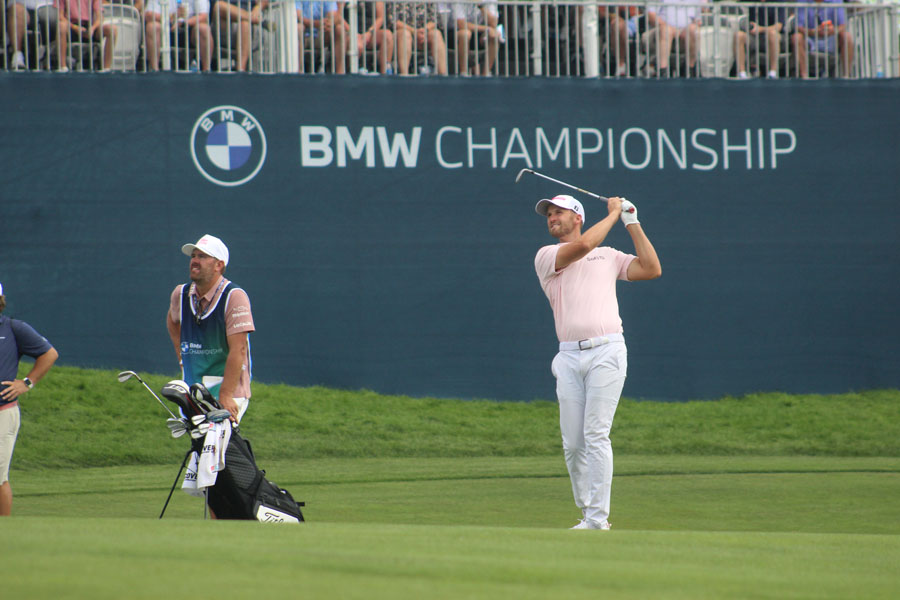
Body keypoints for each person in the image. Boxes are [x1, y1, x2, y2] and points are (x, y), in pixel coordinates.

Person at [534, 194, 661, 530]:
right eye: (548, 214)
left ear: (577, 216)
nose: (551, 218)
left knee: (595, 434)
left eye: (558, 212)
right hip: (568, 356)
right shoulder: (547, 256)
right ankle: (587, 510)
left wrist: (631, 221)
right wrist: (614, 213)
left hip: (607, 350)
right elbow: (584, 245)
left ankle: (596, 520)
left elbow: (651, 268)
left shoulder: (608, 255)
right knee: (574, 445)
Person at [166, 234, 254, 424]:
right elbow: (172, 320)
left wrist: (226, 395)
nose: (195, 261)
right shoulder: (181, 293)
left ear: (218, 265)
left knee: (216, 444)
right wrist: (182, 356)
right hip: (194, 386)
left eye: (203, 257)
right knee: (201, 446)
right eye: (193, 256)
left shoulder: (234, 296)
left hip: (229, 389)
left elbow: (239, 349)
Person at [0, 282, 59, 516]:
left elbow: (49, 354)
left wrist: (26, 383)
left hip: (3, 412)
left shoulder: (13, 328)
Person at [144, 0, 213, 71]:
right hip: (165, 28)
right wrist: (171, 17)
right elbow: (149, 15)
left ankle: (206, 70)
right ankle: (154, 69)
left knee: (204, 29)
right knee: (152, 27)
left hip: (189, 28)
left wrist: (183, 23)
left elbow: (204, 16)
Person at [793, 0, 855, 78]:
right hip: (809, 40)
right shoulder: (802, 1)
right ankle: (804, 76)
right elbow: (798, 26)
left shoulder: (836, 1)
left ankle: (847, 76)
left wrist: (833, 30)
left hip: (831, 40)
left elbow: (842, 25)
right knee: (797, 37)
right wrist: (813, 32)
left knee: (847, 36)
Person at [388, 0, 448, 76]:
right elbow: (393, 21)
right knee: (404, 34)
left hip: (424, 33)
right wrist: (414, 31)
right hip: (403, 33)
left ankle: (443, 75)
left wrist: (424, 30)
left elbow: (435, 20)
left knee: (436, 34)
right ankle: (404, 74)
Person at [5, 0, 70, 71]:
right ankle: (17, 56)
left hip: (47, 6)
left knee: (59, 21)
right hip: (22, 5)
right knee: (16, 10)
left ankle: (61, 64)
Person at [649, 0, 706, 77]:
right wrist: (669, 28)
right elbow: (651, 15)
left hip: (685, 32)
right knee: (666, 30)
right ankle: (663, 71)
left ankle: (690, 69)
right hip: (660, 29)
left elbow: (698, 20)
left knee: (693, 30)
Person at [58, 0, 118, 71]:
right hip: (71, 27)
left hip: (90, 26)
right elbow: (60, 16)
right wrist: (75, 27)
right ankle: (63, 67)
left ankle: (106, 68)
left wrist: (92, 28)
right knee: (61, 26)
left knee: (112, 29)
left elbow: (100, 17)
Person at [210, 0, 268, 72]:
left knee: (245, 23)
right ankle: (254, 19)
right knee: (219, 5)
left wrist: (258, 8)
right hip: (224, 24)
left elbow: (264, 1)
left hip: (247, 25)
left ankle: (241, 70)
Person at [341, 0, 393, 74]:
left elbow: (380, 18)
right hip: (349, 32)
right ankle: (351, 73)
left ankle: (385, 73)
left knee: (387, 35)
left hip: (370, 32)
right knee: (357, 45)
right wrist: (352, 32)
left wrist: (369, 33)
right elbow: (339, 15)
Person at [741, 0, 789, 79]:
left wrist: (760, 29)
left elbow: (779, 26)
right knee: (739, 35)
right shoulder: (753, 4)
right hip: (756, 38)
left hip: (777, 37)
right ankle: (742, 73)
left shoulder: (779, 2)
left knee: (772, 34)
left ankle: (773, 73)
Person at [296, 0, 346, 74]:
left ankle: (340, 72)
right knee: (299, 28)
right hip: (305, 34)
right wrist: (316, 23)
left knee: (339, 29)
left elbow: (333, 15)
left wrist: (329, 23)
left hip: (321, 33)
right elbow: (298, 17)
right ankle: (299, 71)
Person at [452, 1, 500, 76]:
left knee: (495, 35)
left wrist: (481, 6)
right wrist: (487, 28)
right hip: (462, 31)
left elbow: (493, 23)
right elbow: (461, 24)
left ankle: (486, 73)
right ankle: (463, 73)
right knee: (465, 34)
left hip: (481, 33)